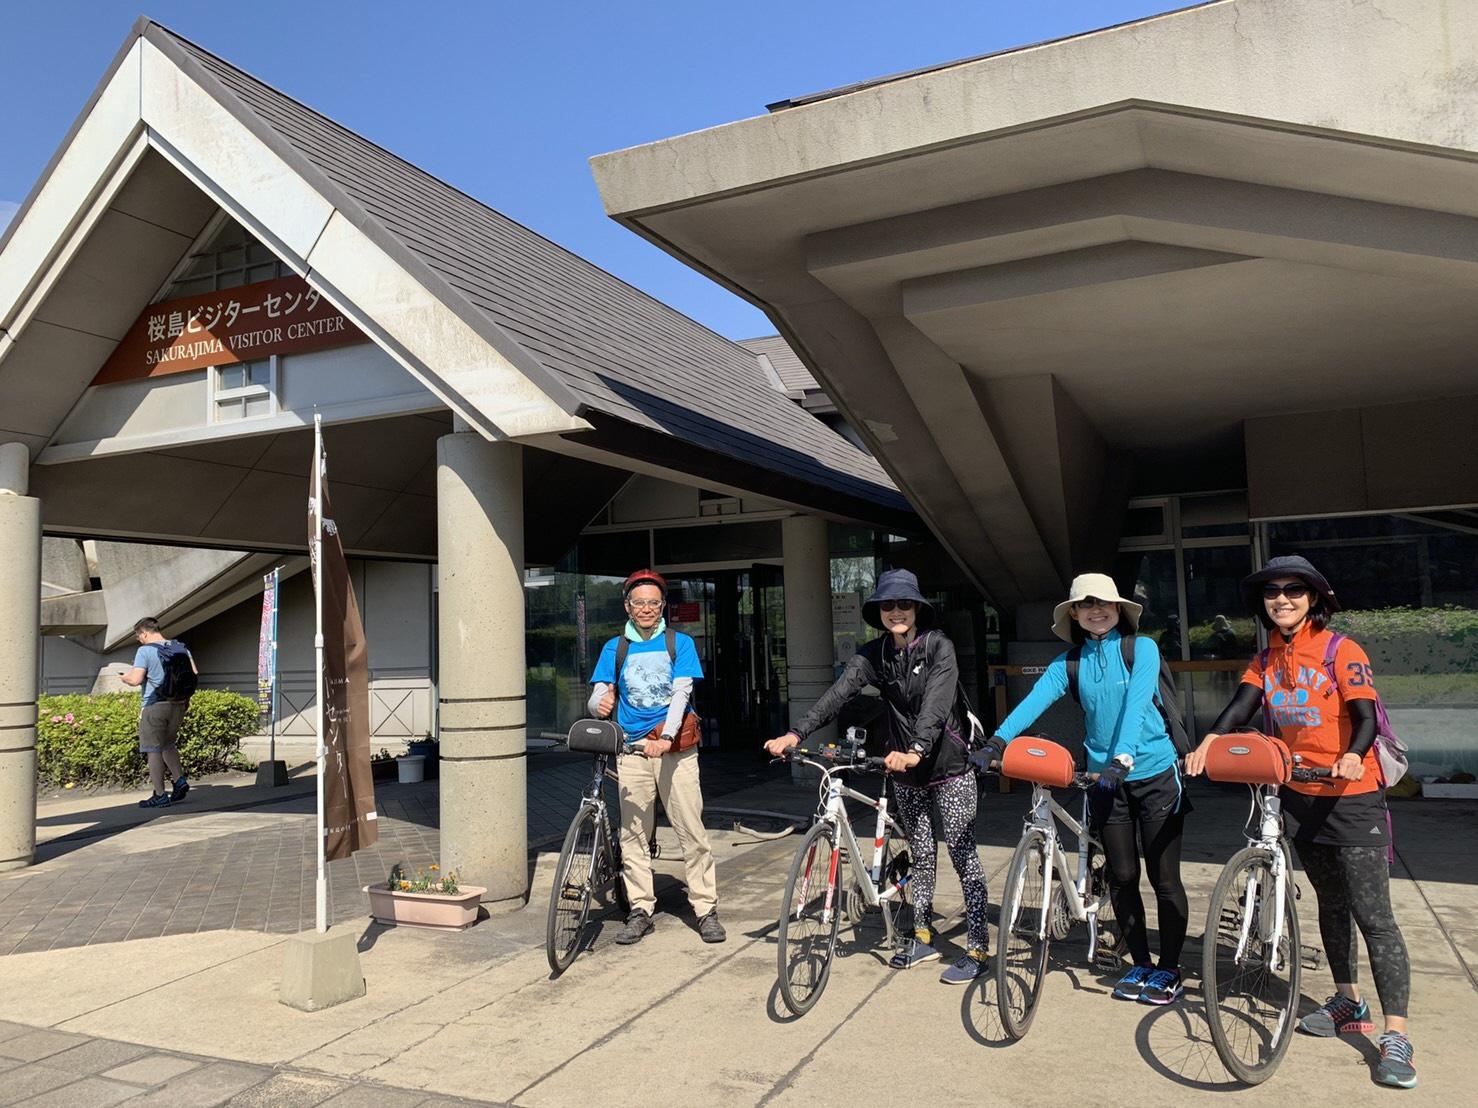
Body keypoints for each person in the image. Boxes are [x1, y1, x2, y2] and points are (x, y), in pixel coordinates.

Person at [1185, 556, 1416, 1089]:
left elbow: (1362, 716)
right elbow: (1241, 708)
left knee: (1373, 915)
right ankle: (1347, 1002)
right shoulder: (1266, 659)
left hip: (1351, 796)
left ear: (1314, 598)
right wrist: (1210, 741)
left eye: (1293, 590)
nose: (1282, 598)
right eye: (1272, 591)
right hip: (1299, 795)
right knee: (1331, 906)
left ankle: (1396, 1035)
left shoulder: (1341, 650)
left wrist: (1355, 755)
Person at [764, 568, 991, 984]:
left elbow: (937, 705)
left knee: (963, 854)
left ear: (918, 609)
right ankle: (921, 933)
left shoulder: (939, 646)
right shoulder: (875, 654)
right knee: (921, 854)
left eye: (904, 604)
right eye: (888, 605)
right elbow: (839, 693)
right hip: (903, 768)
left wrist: (917, 749)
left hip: (948, 765)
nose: (896, 611)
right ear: (879, 611)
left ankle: (977, 947)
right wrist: (797, 732)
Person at [981, 573, 1191, 1006]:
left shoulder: (1141, 649)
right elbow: (1034, 701)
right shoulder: (1070, 663)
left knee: (1164, 877)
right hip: (1103, 781)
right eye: (1087, 604)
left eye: (1106, 603)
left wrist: (1124, 757)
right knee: (1122, 876)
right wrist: (997, 741)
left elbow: (1136, 706)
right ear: (1074, 613)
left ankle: (1169, 969)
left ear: (1118, 609)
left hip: (1152, 773)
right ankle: (1141, 964)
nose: (1098, 610)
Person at [589, 569, 724, 945]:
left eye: (653, 602)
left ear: (663, 606)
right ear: (627, 607)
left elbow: (681, 694)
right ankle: (640, 909)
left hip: (675, 750)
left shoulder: (678, 643)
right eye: (639, 603)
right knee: (632, 834)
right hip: (631, 750)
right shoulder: (614, 648)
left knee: (691, 832)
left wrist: (665, 737)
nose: (646, 608)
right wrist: (598, 703)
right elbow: (600, 692)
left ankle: (705, 908)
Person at [118, 617, 196, 809]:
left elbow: (136, 679)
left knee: (152, 750)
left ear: (144, 633)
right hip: (178, 705)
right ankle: (179, 780)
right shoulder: (180, 647)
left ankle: (160, 795)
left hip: (154, 706)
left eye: (138, 636)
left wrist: (125, 678)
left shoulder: (144, 651)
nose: (139, 640)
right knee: (168, 744)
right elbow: (193, 673)